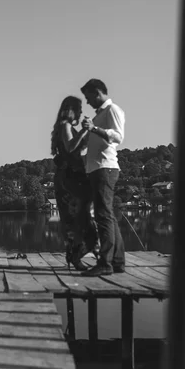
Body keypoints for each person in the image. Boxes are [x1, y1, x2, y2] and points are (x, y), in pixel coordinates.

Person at [80, 79, 126, 276]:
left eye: (89, 97)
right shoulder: (99, 115)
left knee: (103, 216)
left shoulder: (112, 110)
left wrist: (93, 129)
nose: (88, 102)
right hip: (99, 169)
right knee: (107, 216)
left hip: (105, 169)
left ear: (98, 92)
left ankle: (105, 264)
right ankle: (117, 262)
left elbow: (118, 137)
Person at [50, 95, 99, 271]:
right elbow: (71, 147)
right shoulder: (66, 126)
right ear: (71, 110)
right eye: (78, 109)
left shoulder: (67, 127)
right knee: (77, 219)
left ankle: (76, 255)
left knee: (79, 219)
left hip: (73, 176)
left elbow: (80, 148)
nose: (80, 112)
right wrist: (85, 131)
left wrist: (89, 132)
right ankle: (76, 255)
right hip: (69, 179)